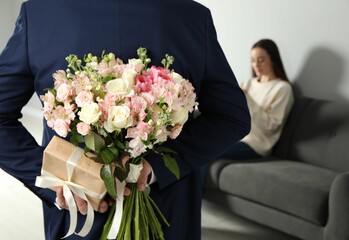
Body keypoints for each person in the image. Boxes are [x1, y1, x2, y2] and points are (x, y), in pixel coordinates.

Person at [0, 0, 250, 239]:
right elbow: (230, 116)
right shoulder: (191, 16)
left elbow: (231, 117)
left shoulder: (40, 13)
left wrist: (56, 182)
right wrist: (156, 166)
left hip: (79, 218)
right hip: (166, 214)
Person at [216, 38, 294, 161]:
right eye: (253, 60)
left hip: (256, 144)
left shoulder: (283, 89)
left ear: (273, 59)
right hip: (235, 135)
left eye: (261, 60)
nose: (256, 65)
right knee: (199, 149)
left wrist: (247, 99)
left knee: (208, 155)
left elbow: (271, 127)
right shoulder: (248, 84)